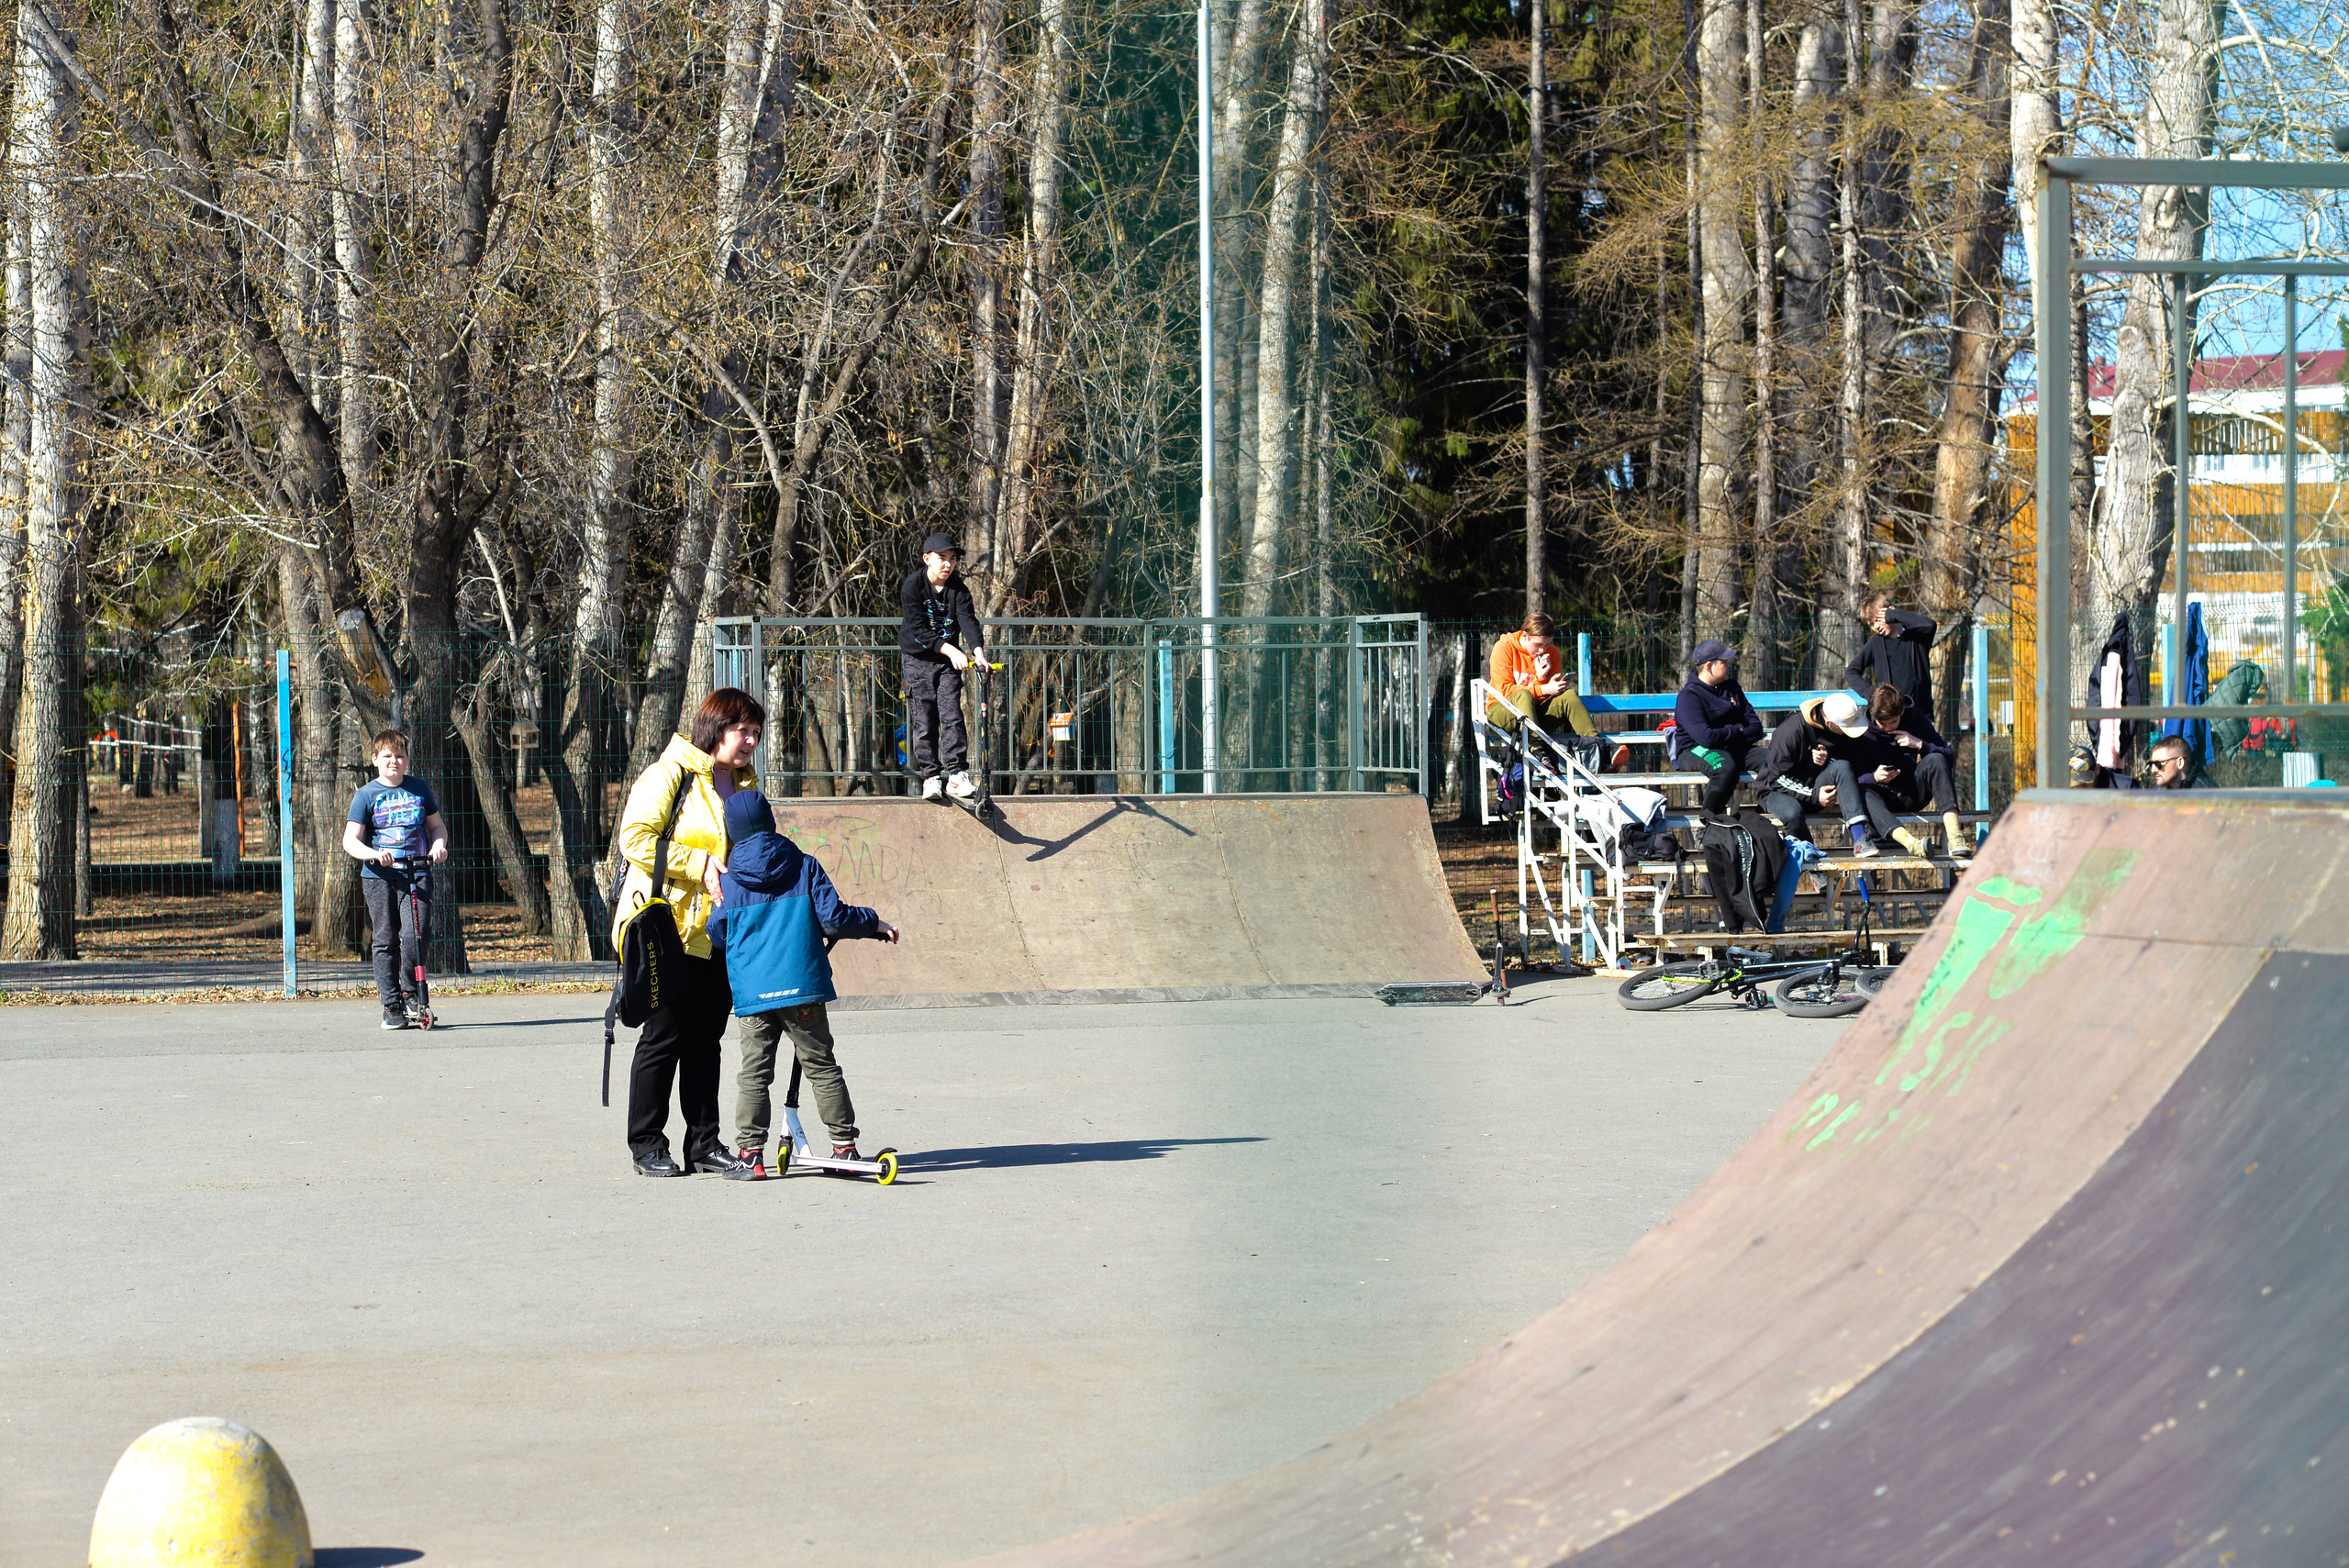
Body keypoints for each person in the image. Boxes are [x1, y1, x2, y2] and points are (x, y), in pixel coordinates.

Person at [610, 688, 764, 1180]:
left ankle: (704, 1144)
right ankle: (647, 1144)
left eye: (756, 734)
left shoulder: (746, 785)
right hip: (669, 929)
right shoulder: (668, 774)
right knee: (663, 1037)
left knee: (707, 1040)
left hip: (722, 930)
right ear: (716, 726)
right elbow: (634, 837)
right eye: (743, 730)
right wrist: (697, 864)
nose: (750, 742)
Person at [710, 790, 902, 1177]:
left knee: (754, 1072)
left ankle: (750, 1155)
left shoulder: (728, 882)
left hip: (754, 994)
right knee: (822, 1067)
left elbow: (717, 932)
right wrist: (873, 923)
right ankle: (844, 1148)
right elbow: (833, 919)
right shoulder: (803, 865)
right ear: (771, 822)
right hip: (801, 989)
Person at [342, 728, 450, 1030]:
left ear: (407, 760)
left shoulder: (419, 789)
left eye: (400, 756)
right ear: (375, 759)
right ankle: (391, 1004)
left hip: (417, 872)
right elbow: (350, 840)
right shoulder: (366, 795)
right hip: (380, 877)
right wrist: (372, 855)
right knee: (386, 938)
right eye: (387, 756)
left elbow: (437, 828)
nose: (394, 761)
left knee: (419, 933)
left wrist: (438, 846)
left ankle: (409, 991)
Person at [900, 530, 988, 803]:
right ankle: (930, 777)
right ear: (927, 559)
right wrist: (951, 650)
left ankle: (957, 775)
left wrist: (978, 652)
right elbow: (919, 630)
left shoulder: (959, 590)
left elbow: (968, 622)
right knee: (924, 720)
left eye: (952, 559)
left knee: (952, 716)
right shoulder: (913, 586)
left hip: (947, 663)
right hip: (918, 659)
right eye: (942, 558)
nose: (948, 564)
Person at [1848, 683, 1966, 859]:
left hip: (1911, 792)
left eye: (1893, 722)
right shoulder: (1861, 730)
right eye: (1882, 723)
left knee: (1935, 758)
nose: (1888, 728)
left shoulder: (1915, 718)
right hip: (1879, 799)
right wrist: (1874, 777)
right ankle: (1911, 844)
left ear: (1902, 711)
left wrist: (1920, 744)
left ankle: (1955, 836)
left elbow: (1948, 755)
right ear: (1873, 715)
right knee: (1860, 792)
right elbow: (1850, 779)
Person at [1756, 691, 1870, 845]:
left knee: (1842, 766)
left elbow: (1850, 764)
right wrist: (1815, 796)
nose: (1849, 733)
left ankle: (1861, 840)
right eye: (1845, 729)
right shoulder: (1790, 730)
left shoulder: (1843, 728)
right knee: (1792, 814)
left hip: (1815, 788)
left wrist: (1827, 760)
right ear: (1830, 723)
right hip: (1777, 791)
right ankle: (1811, 860)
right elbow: (1777, 778)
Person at [1673, 639, 1764, 815]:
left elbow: (1756, 727)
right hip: (1694, 750)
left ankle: (1764, 814)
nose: (1729, 664)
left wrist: (1727, 739)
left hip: (1732, 747)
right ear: (1709, 666)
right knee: (1724, 768)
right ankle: (1710, 820)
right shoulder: (1689, 696)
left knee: (1774, 759)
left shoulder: (1732, 688)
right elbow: (1705, 738)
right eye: (1724, 661)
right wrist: (1736, 730)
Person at [1485, 612, 1598, 740]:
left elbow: (1542, 700)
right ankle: (1537, 750)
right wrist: (1543, 689)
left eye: (1547, 644)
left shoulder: (1553, 654)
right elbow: (1503, 692)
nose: (1542, 650)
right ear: (1525, 636)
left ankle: (1598, 747)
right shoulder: (1504, 648)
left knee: (1569, 696)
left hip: (1534, 716)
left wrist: (1541, 679)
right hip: (1502, 713)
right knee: (1524, 695)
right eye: (1538, 645)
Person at [1843, 593, 1937, 717]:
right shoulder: (1875, 643)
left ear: (1890, 613)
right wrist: (1873, 694)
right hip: (1889, 716)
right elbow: (1851, 672)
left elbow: (1930, 625)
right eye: (1871, 624)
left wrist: (1894, 615)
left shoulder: (1917, 637)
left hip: (1919, 713)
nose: (1876, 626)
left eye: (1878, 620)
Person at [2148, 731, 2217, 789]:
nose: (2153, 770)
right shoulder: (2155, 791)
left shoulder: (2207, 793)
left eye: (2158, 764)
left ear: (2180, 763)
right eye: (2151, 764)